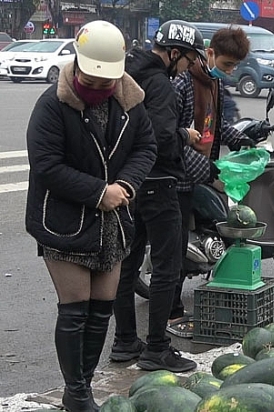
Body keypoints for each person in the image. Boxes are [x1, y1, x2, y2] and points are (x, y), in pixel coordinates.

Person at [25, 20, 157, 411]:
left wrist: (125, 187)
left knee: (102, 306)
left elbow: (146, 147)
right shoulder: (52, 104)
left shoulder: (130, 101)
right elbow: (46, 164)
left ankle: (78, 387)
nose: (99, 89)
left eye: (107, 83)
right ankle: (79, 393)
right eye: (92, 81)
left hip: (113, 220)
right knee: (75, 308)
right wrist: (98, 192)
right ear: (77, 66)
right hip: (64, 221)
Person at [111, 19, 205, 373]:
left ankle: (124, 342)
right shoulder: (160, 85)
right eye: (187, 60)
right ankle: (156, 349)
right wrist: (183, 134)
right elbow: (163, 140)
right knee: (168, 267)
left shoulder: (127, 76)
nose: (187, 68)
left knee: (128, 264)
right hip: (160, 183)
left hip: (129, 185)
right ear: (175, 53)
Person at [168, 27, 254, 338]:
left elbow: (213, 128)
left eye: (234, 66)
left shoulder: (212, 82)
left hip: (200, 172)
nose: (230, 71)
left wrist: (242, 139)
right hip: (178, 178)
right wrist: (208, 172)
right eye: (228, 64)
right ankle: (171, 313)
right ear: (210, 53)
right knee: (175, 248)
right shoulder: (183, 83)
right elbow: (174, 138)